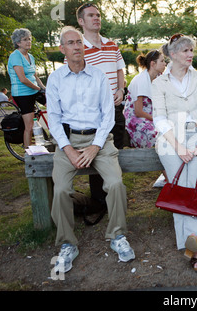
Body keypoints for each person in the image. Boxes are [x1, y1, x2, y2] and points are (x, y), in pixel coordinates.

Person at [46, 26, 135, 273]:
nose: (77, 46)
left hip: (100, 140)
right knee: (61, 190)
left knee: (115, 184)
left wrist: (96, 146)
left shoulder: (98, 76)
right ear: (62, 49)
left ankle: (117, 236)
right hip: (68, 141)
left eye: (79, 42)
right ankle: (67, 243)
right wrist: (69, 149)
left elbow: (108, 114)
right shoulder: (55, 79)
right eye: (71, 43)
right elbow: (52, 119)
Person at [151, 34, 197, 272]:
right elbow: (159, 118)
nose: (191, 54)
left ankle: (196, 245)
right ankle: (189, 244)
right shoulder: (159, 83)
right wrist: (179, 147)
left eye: (191, 50)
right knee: (181, 191)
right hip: (170, 140)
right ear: (173, 54)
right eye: (186, 51)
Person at [76, 3, 126, 207]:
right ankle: (99, 198)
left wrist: (121, 89)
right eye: (90, 15)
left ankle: (116, 193)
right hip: (94, 112)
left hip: (115, 108)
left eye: (98, 15)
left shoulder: (112, 44)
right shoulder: (77, 48)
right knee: (95, 152)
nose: (96, 18)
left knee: (116, 151)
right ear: (81, 21)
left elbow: (120, 70)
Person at [123, 50, 168, 187]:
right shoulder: (142, 79)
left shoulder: (159, 77)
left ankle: (175, 173)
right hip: (136, 119)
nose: (165, 64)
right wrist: (157, 119)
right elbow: (138, 111)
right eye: (162, 61)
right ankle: (171, 178)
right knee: (157, 136)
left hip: (152, 114)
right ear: (153, 64)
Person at [7, 28, 46, 149]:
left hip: (34, 90)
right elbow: (23, 79)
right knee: (28, 126)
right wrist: (38, 89)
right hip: (23, 94)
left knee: (55, 107)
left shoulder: (30, 56)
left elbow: (35, 75)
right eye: (25, 40)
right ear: (18, 43)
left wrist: (44, 89)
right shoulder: (15, 56)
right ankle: (28, 154)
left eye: (29, 39)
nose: (28, 42)